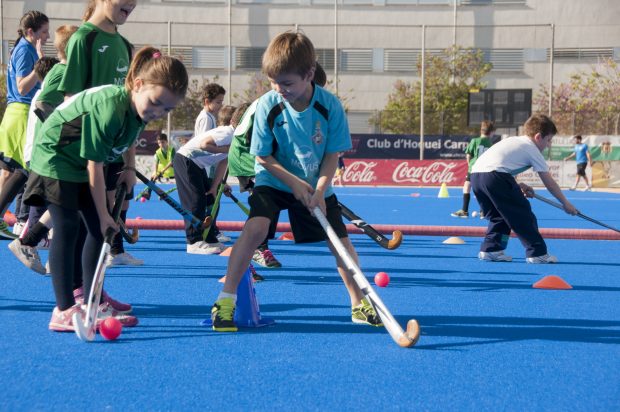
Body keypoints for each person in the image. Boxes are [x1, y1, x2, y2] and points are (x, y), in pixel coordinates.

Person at [209, 31, 382, 332]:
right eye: (274, 82)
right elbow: (262, 157)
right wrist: (295, 184)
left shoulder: (330, 107)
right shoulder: (268, 104)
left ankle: (360, 304)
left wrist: (317, 189)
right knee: (256, 228)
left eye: (287, 83)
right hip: (274, 180)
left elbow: (331, 155)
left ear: (310, 74)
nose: (279, 89)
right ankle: (225, 299)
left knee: (340, 243)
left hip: (316, 183)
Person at [22, 46, 188, 332]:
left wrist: (126, 173)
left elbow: (116, 151)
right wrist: (103, 212)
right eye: (156, 102)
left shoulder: (137, 114)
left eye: (167, 109)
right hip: (54, 156)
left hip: (80, 160)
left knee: (99, 232)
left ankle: (91, 300)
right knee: (68, 225)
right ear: (138, 85)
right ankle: (62, 310)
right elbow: (94, 164)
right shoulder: (111, 105)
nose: (158, 113)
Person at [61, 0, 142, 268]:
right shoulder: (83, 39)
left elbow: (131, 109)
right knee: (84, 228)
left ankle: (92, 294)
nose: (132, 4)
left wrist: (129, 164)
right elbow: (71, 105)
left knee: (99, 231)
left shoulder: (124, 45)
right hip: (85, 154)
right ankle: (74, 300)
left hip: (113, 151)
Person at [227, 63, 326, 269]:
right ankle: (254, 251)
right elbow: (254, 141)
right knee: (264, 203)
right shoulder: (275, 103)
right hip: (246, 154)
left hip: (261, 154)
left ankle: (256, 250)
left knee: (272, 203)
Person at [8, 26, 79, 273]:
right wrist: (64, 134)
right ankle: (31, 242)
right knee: (66, 204)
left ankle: (36, 245)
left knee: (67, 203)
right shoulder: (62, 70)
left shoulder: (68, 71)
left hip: (53, 149)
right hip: (52, 150)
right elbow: (41, 103)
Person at [470, 113, 578, 264]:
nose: (549, 145)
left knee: (499, 216)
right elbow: (550, 183)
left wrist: (517, 185)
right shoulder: (531, 148)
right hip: (495, 176)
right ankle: (537, 253)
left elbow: (501, 163)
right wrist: (566, 203)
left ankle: (491, 249)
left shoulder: (514, 141)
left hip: (476, 176)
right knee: (523, 214)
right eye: (548, 140)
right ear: (538, 137)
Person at [0, 11, 49, 237]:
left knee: (9, 172)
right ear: (31, 32)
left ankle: (5, 218)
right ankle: (22, 221)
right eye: (43, 32)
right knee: (25, 170)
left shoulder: (22, 48)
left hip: (15, 113)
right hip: (20, 112)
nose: (47, 37)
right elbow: (21, 87)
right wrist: (40, 65)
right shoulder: (25, 50)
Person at [174, 105, 237, 255]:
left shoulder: (236, 137)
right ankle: (193, 242)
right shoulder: (228, 133)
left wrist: (214, 186)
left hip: (198, 165)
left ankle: (209, 239)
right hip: (186, 160)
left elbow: (223, 161)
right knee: (195, 202)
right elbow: (204, 144)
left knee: (209, 200)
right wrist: (225, 149)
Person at [451, 120, 495, 218]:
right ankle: (483, 212)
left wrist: (470, 165)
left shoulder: (475, 141)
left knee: (467, 186)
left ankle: (464, 210)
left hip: (474, 169)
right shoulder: (491, 144)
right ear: (491, 132)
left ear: (481, 130)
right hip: (485, 170)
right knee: (483, 189)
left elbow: (468, 155)